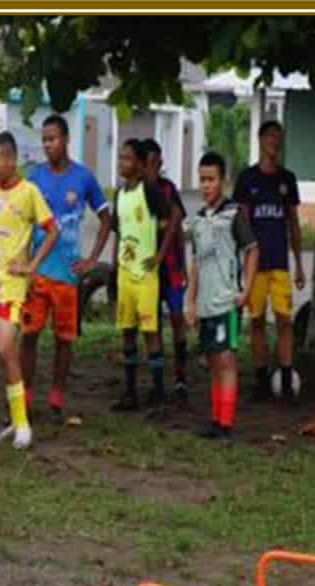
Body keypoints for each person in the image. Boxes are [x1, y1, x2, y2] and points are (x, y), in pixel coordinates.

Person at [23, 114, 111, 424]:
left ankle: (56, 400)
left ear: (66, 140)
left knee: (64, 340)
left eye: (53, 139)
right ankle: (26, 400)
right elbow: (24, 220)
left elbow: (106, 218)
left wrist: (91, 259)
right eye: (44, 139)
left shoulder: (83, 178)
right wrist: (25, 264)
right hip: (38, 273)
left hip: (68, 276)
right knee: (29, 336)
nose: (48, 145)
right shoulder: (34, 178)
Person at [0, 132, 59, 450]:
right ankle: (14, 420)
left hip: (13, 287)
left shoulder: (29, 192)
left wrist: (31, 265)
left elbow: (52, 230)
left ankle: (24, 424)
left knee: (6, 349)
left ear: (11, 161)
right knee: (4, 353)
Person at [183, 151, 260, 440]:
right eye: (202, 180)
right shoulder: (199, 220)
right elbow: (196, 264)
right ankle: (216, 420)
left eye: (211, 180)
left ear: (223, 181)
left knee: (226, 359)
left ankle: (226, 423)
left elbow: (253, 250)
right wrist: (190, 301)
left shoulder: (234, 214)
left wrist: (246, 289)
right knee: (213, 360)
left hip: (227, 301)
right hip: (205, 304)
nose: (206, 186)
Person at [232, 121, 307, 402]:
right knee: (257, 322)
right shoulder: (247, 179)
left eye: (279, 137)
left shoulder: (287, 179)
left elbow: (294, 225)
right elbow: (241, 222)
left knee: (285, 321)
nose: (275, 141)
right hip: (256, 265)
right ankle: (261, 380)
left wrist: (299, 263)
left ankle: (286, 380)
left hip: (280, 264)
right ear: (260, 139)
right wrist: (242, 260)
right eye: (270, 136)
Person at [101, 139, 172, 413]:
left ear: (141, 165)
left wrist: (160, 254)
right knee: (127, 331)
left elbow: (171, 218)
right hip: (125, 273)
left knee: (150, 331)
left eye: (128, 159)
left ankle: (158, 392)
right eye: (121, 158)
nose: (122, 163)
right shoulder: (120, 194)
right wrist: (114, 266)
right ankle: (130, 391)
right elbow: (118, 232)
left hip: (146, 275)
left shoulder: (150, 190)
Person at [143, 138, 192, 404]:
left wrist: (183, 265)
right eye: (147, 163)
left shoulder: (169, 190)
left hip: (170, 265)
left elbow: (179, 230)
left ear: (160, 164)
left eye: (155, 163)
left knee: (176, 317)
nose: (151, 168)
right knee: (153, 324)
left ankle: (181, 376)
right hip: (148, 269)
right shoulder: (136, 193)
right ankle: (157, 380)